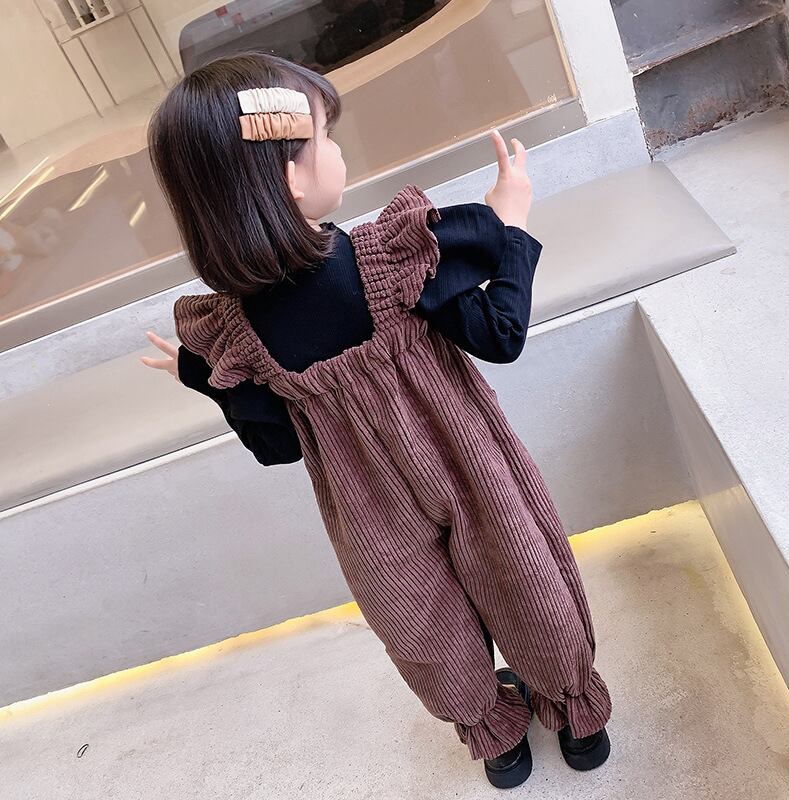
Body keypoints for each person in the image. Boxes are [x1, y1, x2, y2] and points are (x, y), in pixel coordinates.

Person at [141, 52, 611, 789]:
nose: (337, 151)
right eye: (324, 137)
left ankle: (499, 745)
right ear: (291, 179)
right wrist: (511, 224)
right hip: (466, 460)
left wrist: (202, 375)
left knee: (418, 616)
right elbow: (500, 333)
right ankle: (578, 722)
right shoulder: (391, 258)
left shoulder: (236, 332)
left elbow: (277, 445)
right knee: (523, 572)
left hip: (365, 508)